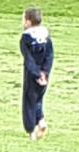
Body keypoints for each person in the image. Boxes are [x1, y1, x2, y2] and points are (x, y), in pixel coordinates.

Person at [21, 7, 54, 137]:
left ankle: (31, 131)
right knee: (39, 99)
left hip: (32, 74)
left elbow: (28, 58)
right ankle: (41, 121)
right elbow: (49, 55)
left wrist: (35, 73)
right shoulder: (46, 36)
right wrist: (45, 72)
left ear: (29, 22)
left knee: (29, 101)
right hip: (44, 75)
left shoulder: (26, 38)